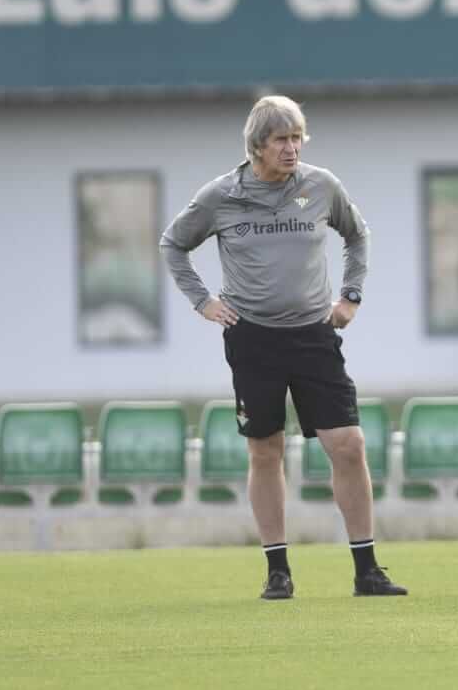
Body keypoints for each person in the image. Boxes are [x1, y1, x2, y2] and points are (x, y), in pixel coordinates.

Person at [160, 95, 407, 600]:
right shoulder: (221, 195)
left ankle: (367, 569)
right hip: (252, 339)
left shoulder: (321, 186)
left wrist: (351, 295)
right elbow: (173, 243)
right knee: (266, 449)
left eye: (297, 137)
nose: (292, 148)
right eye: (281, 140)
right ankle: (278, 570)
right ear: (257, 146)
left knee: (349, 444)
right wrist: (202, 301)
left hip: (314, 335)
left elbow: (357, 236)